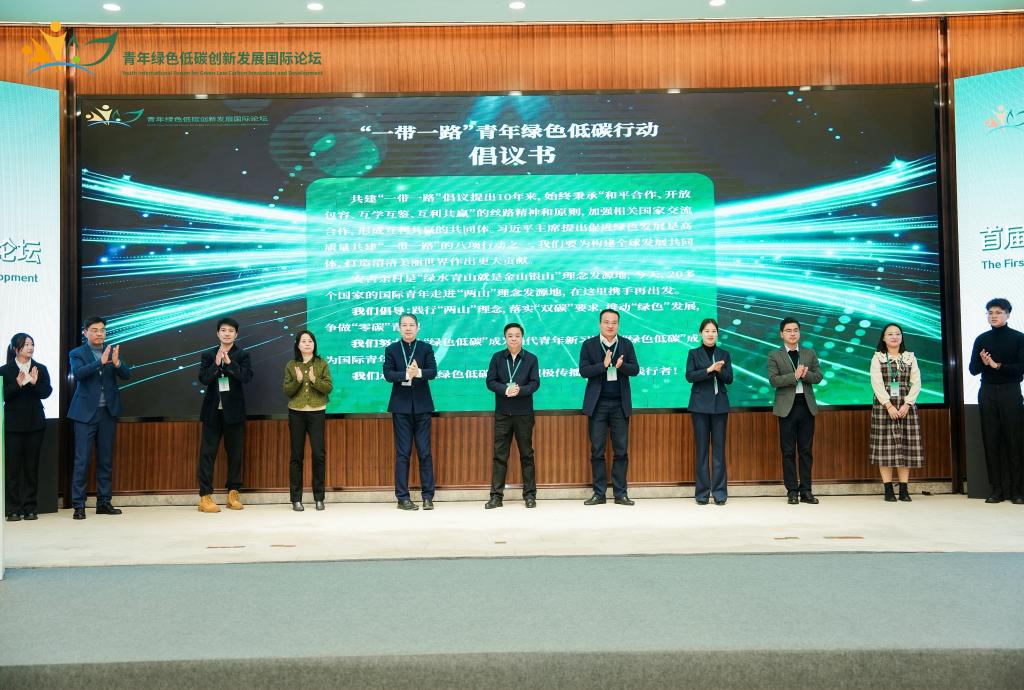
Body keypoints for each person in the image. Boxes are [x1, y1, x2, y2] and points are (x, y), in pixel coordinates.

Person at [68, 316, 131, 520]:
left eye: (102, 330)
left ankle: (104, 502)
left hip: (107, 413)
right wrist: (99, 362)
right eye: (94, 330)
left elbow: (127, 374)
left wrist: (117, 363)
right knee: (82, 460)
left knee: (105, 459)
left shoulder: (111, 352)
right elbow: (78, 374)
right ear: (85, 332)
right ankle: (79, 505)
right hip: (85, 413)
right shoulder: (77, 353)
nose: (99, 333)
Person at [579, 308, 640, 506]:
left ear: (618, 325)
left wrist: (622, 366)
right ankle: (599, 493)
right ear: (600, 324)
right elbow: (583, 371)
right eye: (606, 322)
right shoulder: (589, 345)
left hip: (619, 405)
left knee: (621, 450)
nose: (610, 326)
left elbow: (635, 370)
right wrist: (603, 365)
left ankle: (621, 493)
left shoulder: (626, 344)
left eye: (614, 322)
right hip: (597, 405)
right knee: (597, 450)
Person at [968, 298, 1024, 504]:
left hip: (1011, 392)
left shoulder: (1018, 338)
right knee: (991, 441)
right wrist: (985, 363)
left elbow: (1021, 368)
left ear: (1008, 314)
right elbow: (973, 369)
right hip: (987, 392)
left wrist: (998, 365)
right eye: (990, 312)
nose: (993, 316)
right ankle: (997, 490)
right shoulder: (981, 339)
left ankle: (1017, 491)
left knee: (1014, 442)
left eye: (998, 312)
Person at [196, 317, 253, 513]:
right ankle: (205, 496)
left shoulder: (242, 355)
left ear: (236, 334)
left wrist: (229, 364)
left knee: (235, 454)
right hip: (212, 412)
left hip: (234, 413)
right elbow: (203, 379)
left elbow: (247, 377)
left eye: (231, 331)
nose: (227, 333)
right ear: (217, 333)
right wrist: (216, 364)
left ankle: (233, 494)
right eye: (223, 330)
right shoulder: (208, 354)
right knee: (207, 454)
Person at [382, 313, 437, 510]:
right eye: (404, 325)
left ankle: (428, 496)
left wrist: (418, 372)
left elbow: (433, 372)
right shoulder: (392, 349)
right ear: (399, 328)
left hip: (422, 407)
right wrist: (406, 374)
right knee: (403, 453)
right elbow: (388, 374)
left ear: (418, 327)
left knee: (425, 452)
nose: (408, 328)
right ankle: (402, 498)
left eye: (411, 325)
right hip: (401, 408)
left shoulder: (425, 348)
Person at [484, 322, 540, 509]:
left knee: (527, 455)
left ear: (522, 338)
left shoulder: (531, 359)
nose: (514, 339)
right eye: (510, 336)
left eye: (517, 335)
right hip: (503, 414)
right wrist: (505, 390)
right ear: (505, 338)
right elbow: (490, 381)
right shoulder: (497, 358)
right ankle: (496, 497)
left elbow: (535, 383)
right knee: (500, 456)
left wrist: (520, 390)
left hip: (524, 414)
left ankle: (530, 495)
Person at [767, 317, 823, 505]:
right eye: (788, 330)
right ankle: (792, 491)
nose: (792, 334)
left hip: (806, 406)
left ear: (800, 332)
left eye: (796, 330)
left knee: (806, 451)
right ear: (781, 334)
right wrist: (794, 376)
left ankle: (806, 491)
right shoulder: (774, 355)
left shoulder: (809, 353)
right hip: (786, 408)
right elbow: (773, 380)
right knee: (788, 451)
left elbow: (818, 376)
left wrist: (805, 375)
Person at [869, 323, 924, 502]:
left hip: (906, 406)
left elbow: (916, 382)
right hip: (883, 407)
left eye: (897, 334)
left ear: (901, 337)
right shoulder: (877, 357)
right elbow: (876, 383)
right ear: (884, 338)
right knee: (885, 449)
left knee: (905, 448)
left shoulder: (910, 357)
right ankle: (888, 490)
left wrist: (907, 404)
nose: (894, 337)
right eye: (890, 334)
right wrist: (889, 405)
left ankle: (904, 490)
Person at [1, 333, 52, 521]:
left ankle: (30, 507)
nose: (30, 347)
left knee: (31, 468)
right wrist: (17, 384)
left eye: (32, 344)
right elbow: (3, 395)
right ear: (16, 349)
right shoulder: (4, 370)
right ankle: (12, 509)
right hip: (12, 426)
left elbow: (46, 392)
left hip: (35, 425)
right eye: (26, 344)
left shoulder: (40, 368)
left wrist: (34, 382)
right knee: (12, 469)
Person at [283, 330, 333, 512]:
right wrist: (297, 381)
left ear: (314, 344)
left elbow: (328, 387)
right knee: (296, 456)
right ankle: (296, 499)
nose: (307, 344)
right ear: (298, 345)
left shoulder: (321, 363)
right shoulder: (291, 365)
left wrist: (313, 379)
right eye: (303, 341)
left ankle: (319, 498)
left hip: (317, 413)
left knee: (319, 454)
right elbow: (287, 391)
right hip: (296, 414)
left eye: (310, 341)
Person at [684, 318, 733, 506]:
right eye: (707, 331)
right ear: (700, 333)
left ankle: (720, 493)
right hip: (699, 406)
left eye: (713, 331)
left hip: (720, 406)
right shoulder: (693, 353)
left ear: (717, 334)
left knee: (719, 451)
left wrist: (719, 371)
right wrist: (709, 369)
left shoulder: (724, 354)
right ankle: (702, 494)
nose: (710, 334)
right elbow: (690, 376)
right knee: (702, 451)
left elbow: (729, 378)